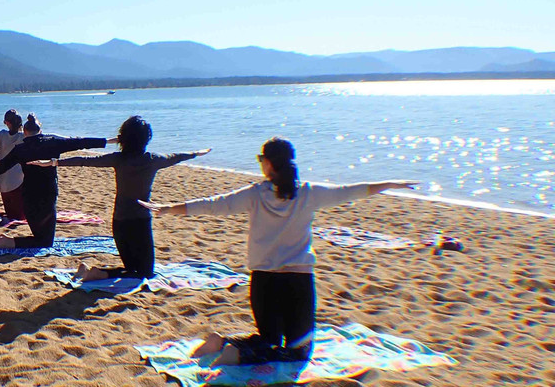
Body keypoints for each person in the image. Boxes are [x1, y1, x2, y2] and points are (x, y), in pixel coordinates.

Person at [140, 137, 416, 366]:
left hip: (264, 281)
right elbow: (349, 191)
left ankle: (225, 344)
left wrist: (169, 208)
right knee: (299, 352)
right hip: (297, 282)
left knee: (268, 338)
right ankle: (232, 352)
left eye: (260, 160)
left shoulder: (255, 193)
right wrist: (388, 184)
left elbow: (213, 205)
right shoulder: (309, 192)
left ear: (269, 164)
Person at [42, 116, 210, 280]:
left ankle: (94, 272)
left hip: (119, 223)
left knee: (131, 269)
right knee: (146, 273)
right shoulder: (152, 160)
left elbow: (85, 161)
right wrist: (195, 153)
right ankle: (98, 273)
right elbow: (176, 156)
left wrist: (54, 162)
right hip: (140, 222)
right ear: (146, 139)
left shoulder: (118, 159)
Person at [0, 114, 113, 249]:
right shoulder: (53, 141)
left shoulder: (20, 149)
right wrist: (108, 141)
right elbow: (81, 142)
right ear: (41, 130)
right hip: (48, 196)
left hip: (29, 198)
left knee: (41, 238)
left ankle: (11, 241)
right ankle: (9, 242)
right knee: (46, 242)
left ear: (24, 133)